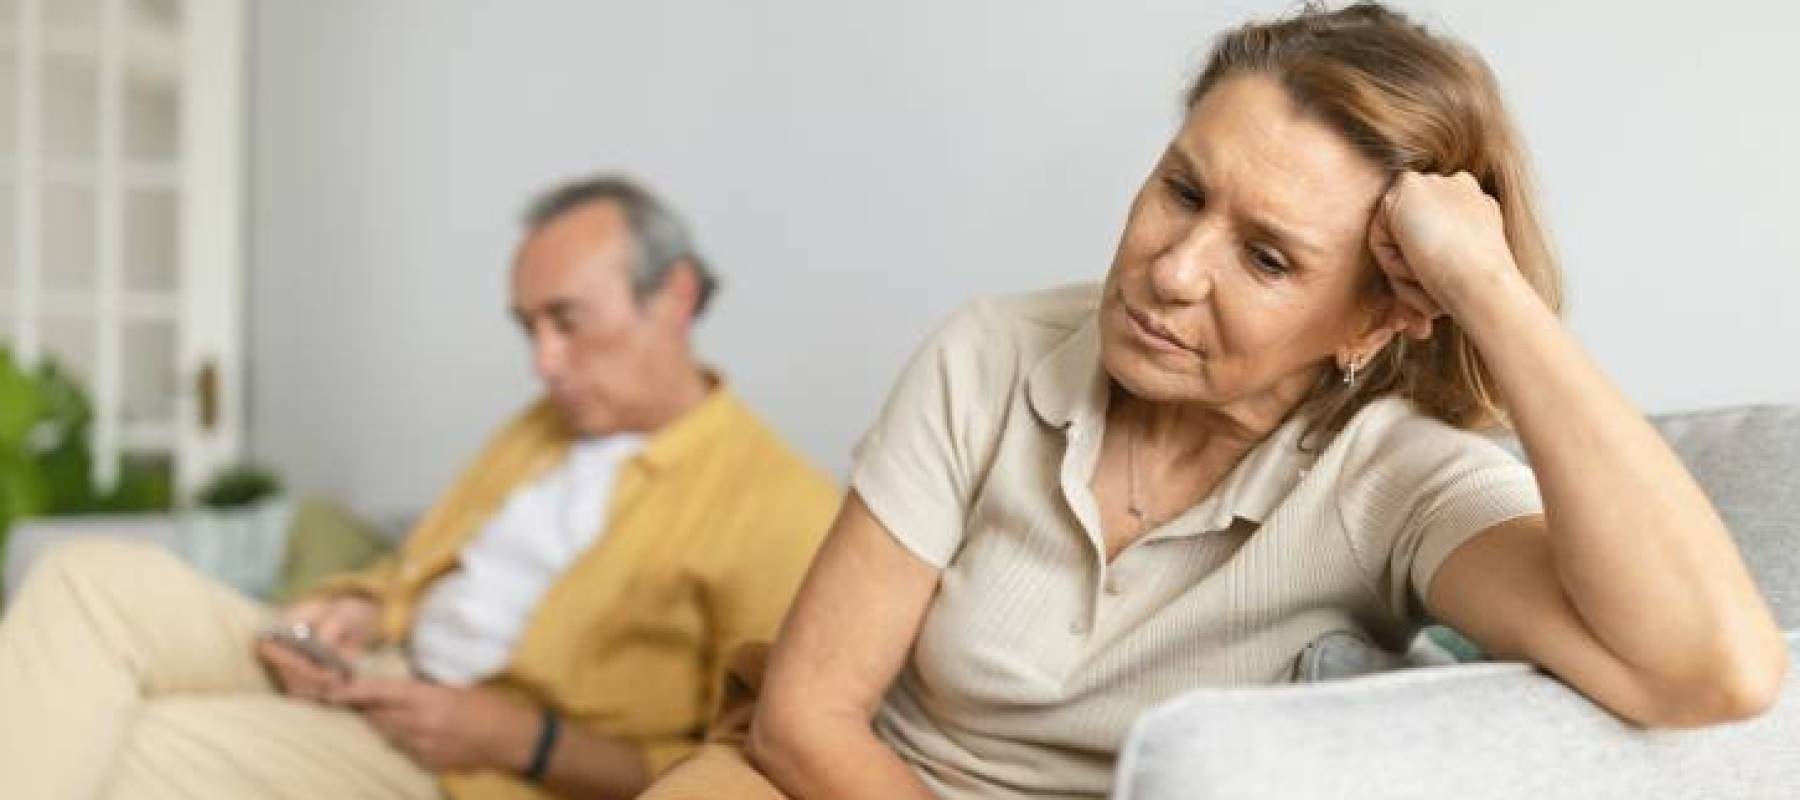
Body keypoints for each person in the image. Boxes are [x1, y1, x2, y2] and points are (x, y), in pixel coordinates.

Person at [643, 4, 1788, 798]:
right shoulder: (989, 353)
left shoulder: (1398, 480)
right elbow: (806, 715)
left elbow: (1717, 671)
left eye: (1269, 258)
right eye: (1180, 189)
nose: (1174, 267)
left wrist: (1489, 288)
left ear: (1381, 317)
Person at [0, 176, 841, 799]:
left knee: (136, 742)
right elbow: (417, 568)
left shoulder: (780, 508)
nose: (542, 362)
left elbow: (743, 767)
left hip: (466, 766)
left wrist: (526, 740)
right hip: (369, 670)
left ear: (677, 297)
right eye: (528, 328)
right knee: (83, 578)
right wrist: (355, 607)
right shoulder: (541, 429)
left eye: (567, 321)